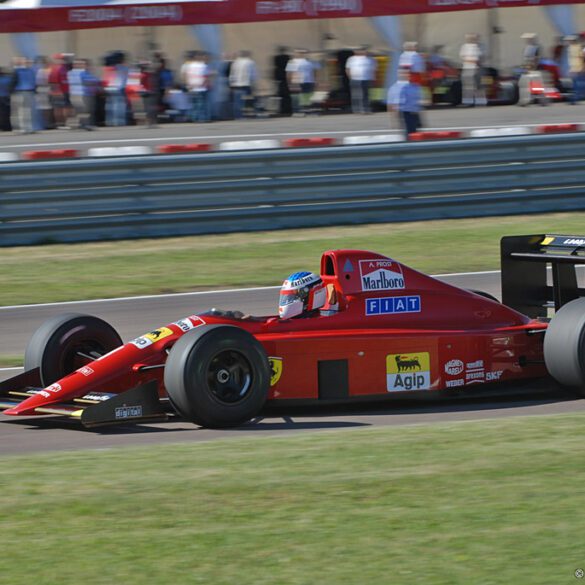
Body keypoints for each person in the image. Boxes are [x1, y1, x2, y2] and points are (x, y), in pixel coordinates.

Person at [345, 46, 376, 114]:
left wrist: (373, 78)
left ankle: (366, 108)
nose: (362, 51)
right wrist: (350, 78)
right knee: (356, 95)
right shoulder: (351, 59)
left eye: (363, 50)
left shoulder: (371, 59)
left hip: (367, 79)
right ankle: (357, 109)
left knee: (366, 95)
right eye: (360, 50)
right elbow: (347, 69)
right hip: (355, 79)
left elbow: (373, 70)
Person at [286, 49, 316, 116]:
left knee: (307, 96)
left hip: (308, 81)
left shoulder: (308, 62)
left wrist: (314, 80)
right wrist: (290, 82)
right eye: (299, 53)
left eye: (303, 53)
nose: (301, 54)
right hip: (297, 81)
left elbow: (312, 72)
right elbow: (289, 73)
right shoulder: (292, 62)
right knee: (297, 97)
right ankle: (297, 111)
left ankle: (307, 110)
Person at [11, 57, 37, 134]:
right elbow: (13, 81)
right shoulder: (18, 71)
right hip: (19, 92)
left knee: (27, 111)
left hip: (28, 92)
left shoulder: (30, 71)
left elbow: (33, 82)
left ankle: (28, 128)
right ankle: (21, 128)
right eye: (27, 62)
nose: (29, 64)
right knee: (21, 111)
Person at [229, 50, 257, 119]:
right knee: (253, 99)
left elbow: (232, 73)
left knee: (238, 101)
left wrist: (231, 83)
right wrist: (254, 82)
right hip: (246, 83)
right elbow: (253, 73)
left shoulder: (235, 62)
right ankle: (255, 112)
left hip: (236, 84)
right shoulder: (250, 62)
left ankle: (237, 115)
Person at [459, 33, 485, 106]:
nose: (470, 39)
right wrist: (468, 60)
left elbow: (478, 58)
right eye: (469, 38)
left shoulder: (478, 47)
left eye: (472, 38)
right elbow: (462, 57)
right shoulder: (464, 46)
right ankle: (467, 102)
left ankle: (480, 102)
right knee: (466, 86)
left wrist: (471, 61)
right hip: (467, 68)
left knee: (478, 86)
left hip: (475, 68)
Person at [273, 46, 292, 116]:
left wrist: (275, 78)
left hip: (280, 78)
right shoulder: (288, 58)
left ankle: (282, 109)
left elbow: (275, 67)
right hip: (287, 78)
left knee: (281, 95)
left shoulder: (276, 58)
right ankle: (288, 109)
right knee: (287, 95)